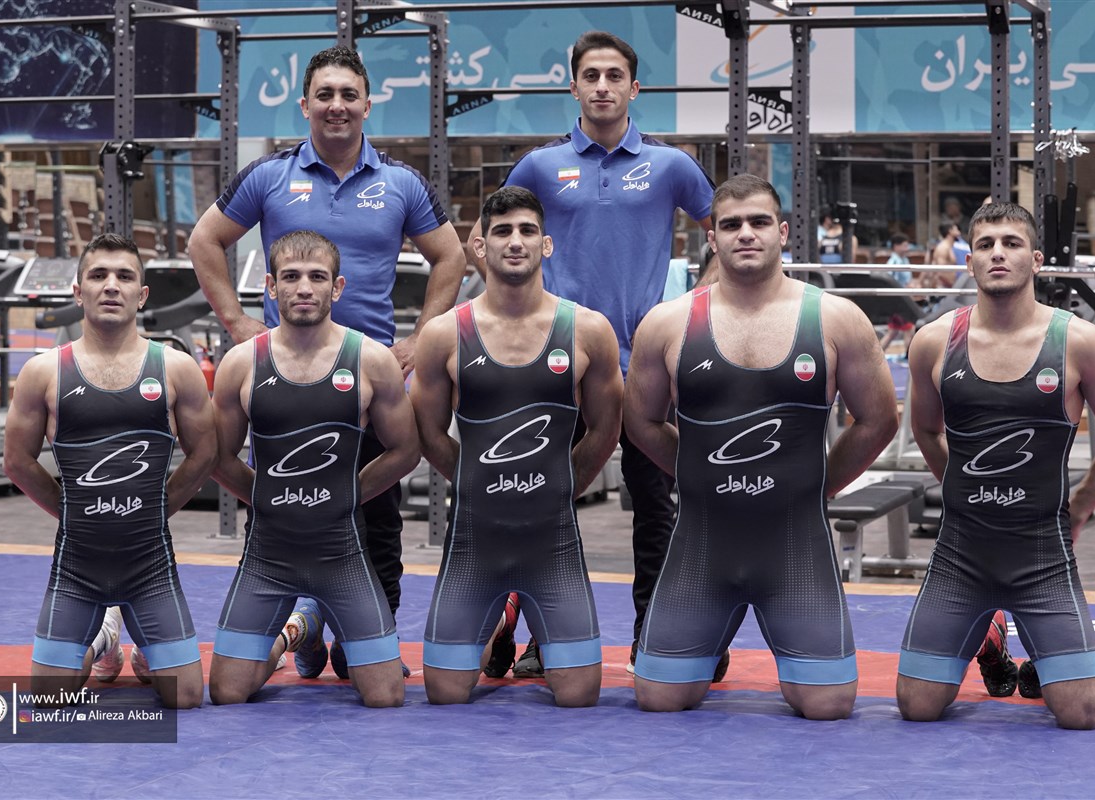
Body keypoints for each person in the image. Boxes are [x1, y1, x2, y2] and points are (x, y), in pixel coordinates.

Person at [189, 45, 466, 678]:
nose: (336, 105)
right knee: (280, 513)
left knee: (378, 520)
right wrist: (237, 324)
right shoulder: (269, 176)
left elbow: (450, 256)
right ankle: (292, 621)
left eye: (348, 95)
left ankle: (366, 642)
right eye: (325, 94)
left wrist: (419, 341)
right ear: (305, 103)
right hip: (287, 379)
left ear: (368, 104)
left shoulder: (400, 182)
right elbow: (205, 240)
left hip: (372, 381)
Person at [467, 30, 717, 678]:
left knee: (656, 508)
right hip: (557, 368)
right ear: (573, 86)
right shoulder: (539, 167)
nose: (602, 86)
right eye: (590, 76)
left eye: (614, 76)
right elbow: (484, 239)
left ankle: (655, 637)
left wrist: (697, 308)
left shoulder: (671, 166)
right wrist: (518, 318)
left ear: (635, 88)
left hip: (646, 369)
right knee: (544, 504)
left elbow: (724, 228)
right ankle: (539, 636)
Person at [624, 175, 899, 715]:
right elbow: (640, 422)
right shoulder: (667, 323)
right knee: (658, 697)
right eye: (730, 225)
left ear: (783, 231)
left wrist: (820, 483)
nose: (745, 234)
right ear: (712, 238)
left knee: (828, 705)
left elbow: (879, 419)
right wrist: (696, 473)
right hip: (703, 545)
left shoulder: (836, 318)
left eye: (758, 222)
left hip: (795, 547)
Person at [897, 202, 1095, 730]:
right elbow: (926, 429)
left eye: (1011, 243)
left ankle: (1038, 650)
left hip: (1042, 557)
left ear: (1035, 259)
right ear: (969, 261)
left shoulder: (1078, 341)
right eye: (985, 245)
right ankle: (991, 639)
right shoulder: (934, 342)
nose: (998, 254)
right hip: (961, 554)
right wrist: (962, 487)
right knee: (917, 706)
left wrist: (1080, 507)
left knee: (1081, 713)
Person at [412, 186, 622, 706]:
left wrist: (562, 484)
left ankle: (508, 618)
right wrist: (475, 479)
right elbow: (429, 433)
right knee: (445, 692)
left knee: (578, 694)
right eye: (502, 231)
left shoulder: (588, 329)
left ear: (546, 244)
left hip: (553, 541)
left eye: (528, 231)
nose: (515, 242)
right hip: (474, 540)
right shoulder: (443, 334)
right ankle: (504, 618)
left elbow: (605, 430)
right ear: (479, 245)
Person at [3, 233, 216, 709]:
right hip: (77, 567)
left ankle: (146, 652)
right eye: (98, 275)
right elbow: (16, 461)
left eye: (124, 276)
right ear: (78, 292)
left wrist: (157, 509)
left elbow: (205, 454)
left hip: (150, 565)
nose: (111, 285)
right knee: (49, 699)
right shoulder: (44, 372)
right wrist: (72, 509)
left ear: (142, 294)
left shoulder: (175, 368)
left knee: (185, 697)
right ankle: (105, 639)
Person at [208, 230, 420, 707]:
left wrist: (349, 493)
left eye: (317, 277)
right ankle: (299, 632)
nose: (304, 288)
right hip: (268, 556)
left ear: (337, 287)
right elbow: (218, 457)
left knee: (385, 695)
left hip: (342, 554)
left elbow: (406, 450)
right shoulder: (241, 363)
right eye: (291, 277)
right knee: (227, 691)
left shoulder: (371, 360)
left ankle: (307, 624)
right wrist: (262, 494)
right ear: (270, 286)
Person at [880, 233, 915, 355]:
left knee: (893, 332)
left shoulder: (905, 260)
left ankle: (877, 355)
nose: (907, 248)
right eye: (904, 245)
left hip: (904, 299)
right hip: (898, 301)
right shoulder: (893, 262)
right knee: (910, 329)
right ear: (896, 246)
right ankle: (909, 357)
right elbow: (887, 282)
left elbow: (908, 280)